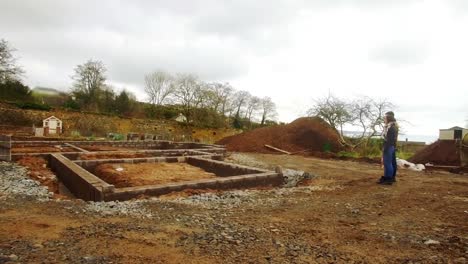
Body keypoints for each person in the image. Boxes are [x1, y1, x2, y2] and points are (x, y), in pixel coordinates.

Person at [378, 111, 398, 185]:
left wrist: (385, 148)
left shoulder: (390, 127)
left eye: (385, 118)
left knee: (387, 163)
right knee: (391, 163)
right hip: (391, 146)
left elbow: (389, 139)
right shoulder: (393, 125)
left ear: (388, 118)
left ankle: (388, 179)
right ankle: (389, 177)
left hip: (388, 146)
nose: (384, 119)